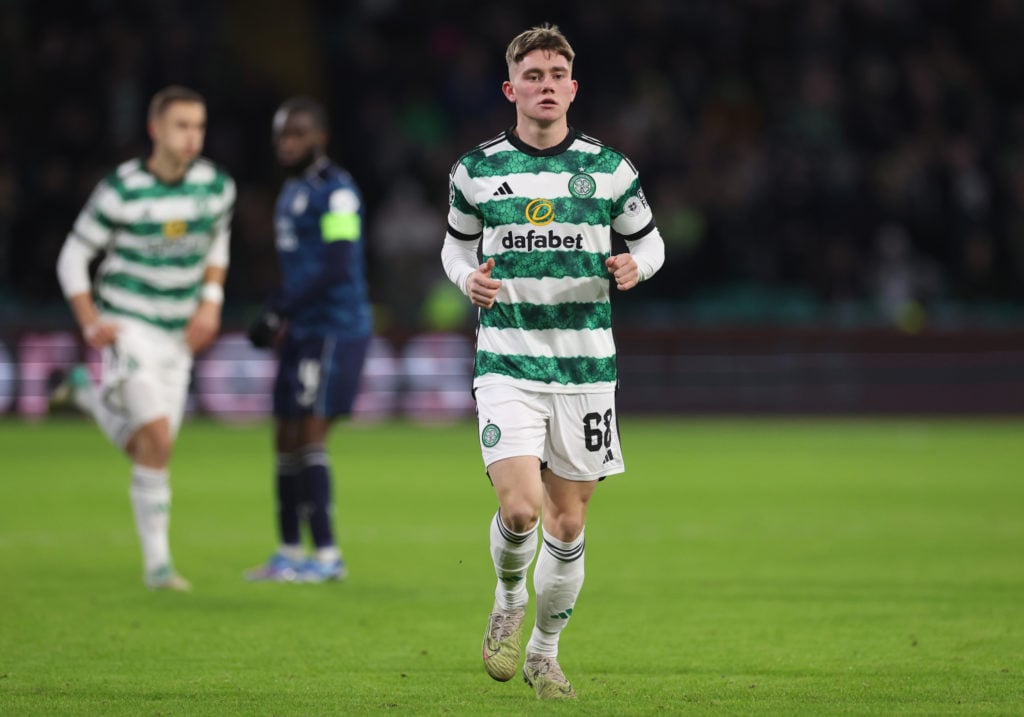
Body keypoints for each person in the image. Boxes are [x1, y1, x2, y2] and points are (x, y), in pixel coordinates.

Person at [440, 24, 665, 700]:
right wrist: (465, 280)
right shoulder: (475, 170)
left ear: (573, 87)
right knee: (520, 510)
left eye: (555, 75)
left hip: (586, 369)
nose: (545, 86)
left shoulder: (610, 170)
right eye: (531, 76)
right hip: (507, 360)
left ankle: (544, 651)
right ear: (512, 88)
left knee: (568, 523)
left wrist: (635, 266)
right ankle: (509, 595)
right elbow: (453, 249)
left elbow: (651, 245)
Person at [53, 85, 236, 591]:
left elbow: (216, 247)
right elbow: (71, 257)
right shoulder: (121, 189)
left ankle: (88, 398)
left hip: (179, 335)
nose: (191, 137)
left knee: (152, 448)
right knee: (156, 436)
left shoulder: (216, 186)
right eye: (181, 126)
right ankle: (159, 568)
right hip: (128, 324)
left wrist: (210, 305)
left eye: (198, 126)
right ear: (155, 130)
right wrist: (91, 321)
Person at [244, 97, 372, 584]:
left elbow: (339, 263)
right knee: (284, 434)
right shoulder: (291, 192)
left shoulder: (337, 191)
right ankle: (288, 551)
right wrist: (281, 311)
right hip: (301, 328)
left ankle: (327, 555)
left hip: (335, 328)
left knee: (311, 433)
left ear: (319, 137)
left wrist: (281, 307)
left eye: (296, 135)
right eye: (281, 135)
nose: (286, 144)